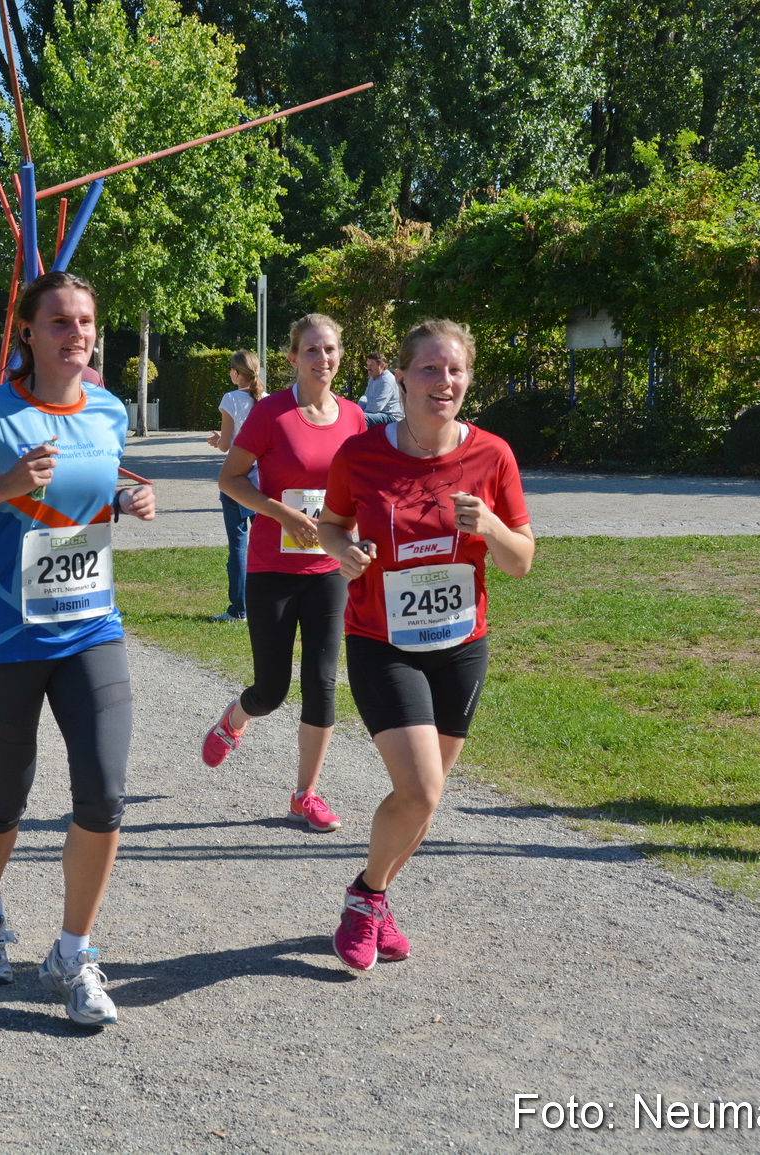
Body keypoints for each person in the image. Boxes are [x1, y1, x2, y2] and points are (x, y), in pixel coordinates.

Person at [0, 270, 156, 1027]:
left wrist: (129, 496)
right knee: (4, 798)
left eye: (85, 321)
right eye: (59, 321)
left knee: (104, 793)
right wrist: (4, 482)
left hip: (91, 629)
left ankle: (72, 954)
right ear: (28, 333)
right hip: (1, 642)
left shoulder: (110, 409)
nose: (76, 333)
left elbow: (101, 481)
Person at [316, 319, 534, 970]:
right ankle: (362, 900)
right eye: (431, 370)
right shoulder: (361, 454)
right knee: (419, 787)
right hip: (383, 640)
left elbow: (521, 561)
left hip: (461, 644)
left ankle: (375, 894)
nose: (445, 382)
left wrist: (491, 524)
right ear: (403, 377)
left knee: (427, 795)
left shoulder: (492, 455)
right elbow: (330, 524)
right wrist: (343, 551)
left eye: (456, 370)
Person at [204, 314, 366, 833]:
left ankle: (305, 794)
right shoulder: (272, 413)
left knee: (322, 683)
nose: (323, 358)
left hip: (327, 571)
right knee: (271, 689)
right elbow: (230, 479)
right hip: (273, 569)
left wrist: (356, 540)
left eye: (331, 349)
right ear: (293, 358)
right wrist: (283, 515)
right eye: (312, 350)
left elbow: (358, 492)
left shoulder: (355, 417)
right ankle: (236, 718)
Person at [204, 350, 265, 623]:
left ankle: (239, 608)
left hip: (237, 478)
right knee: (264, 544)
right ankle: (265, 602)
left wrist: (217, 440)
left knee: (238, 546)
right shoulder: (266, 400)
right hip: (263, 480)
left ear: (236, 373)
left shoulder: (231, 399)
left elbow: (227, 445)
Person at [359, 352, 401, 427]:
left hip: (391, 417)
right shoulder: (372, 378)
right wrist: (357, 409)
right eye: (367, 365)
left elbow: (376, 407)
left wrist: (360, 415)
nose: (368, 368)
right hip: (378, 414)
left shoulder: (386, 381)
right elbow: (365, 397)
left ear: (382, 366)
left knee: (362, 419)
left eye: (372, 365)